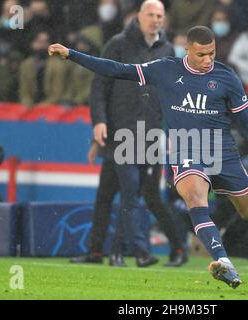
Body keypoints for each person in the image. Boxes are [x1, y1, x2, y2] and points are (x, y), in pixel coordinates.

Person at [48, 25, 248, 288]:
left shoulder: (227, 77)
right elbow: (117, 69)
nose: (208, 60)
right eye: (201, 54)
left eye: (212, 53)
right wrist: (72, 54)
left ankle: (211, 232)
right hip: (186, 149)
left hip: (222, 152)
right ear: (187, 49)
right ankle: (223, 262)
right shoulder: (165, 69)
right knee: (195, 199)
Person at [71, 0, 186, 268]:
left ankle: (124, 252)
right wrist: (99, 121)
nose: (156, 19)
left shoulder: (168, 50)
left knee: (136, 193)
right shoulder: (118, 44)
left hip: (148, 136)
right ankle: (110, 252)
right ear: (139, 16)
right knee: (113, 193)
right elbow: (100, 85)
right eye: (151, 14)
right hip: (118, 132)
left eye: (160, 15)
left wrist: (170, 130)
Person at [19, 30, 68, 107]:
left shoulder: (58, 65)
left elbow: (57, 94)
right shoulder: (26, 64)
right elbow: (24, 91)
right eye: (39, 41)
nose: (42, 45)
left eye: (45, 42)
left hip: (52, 106)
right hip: (31, 105)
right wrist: (27, 103)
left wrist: (40, 107)